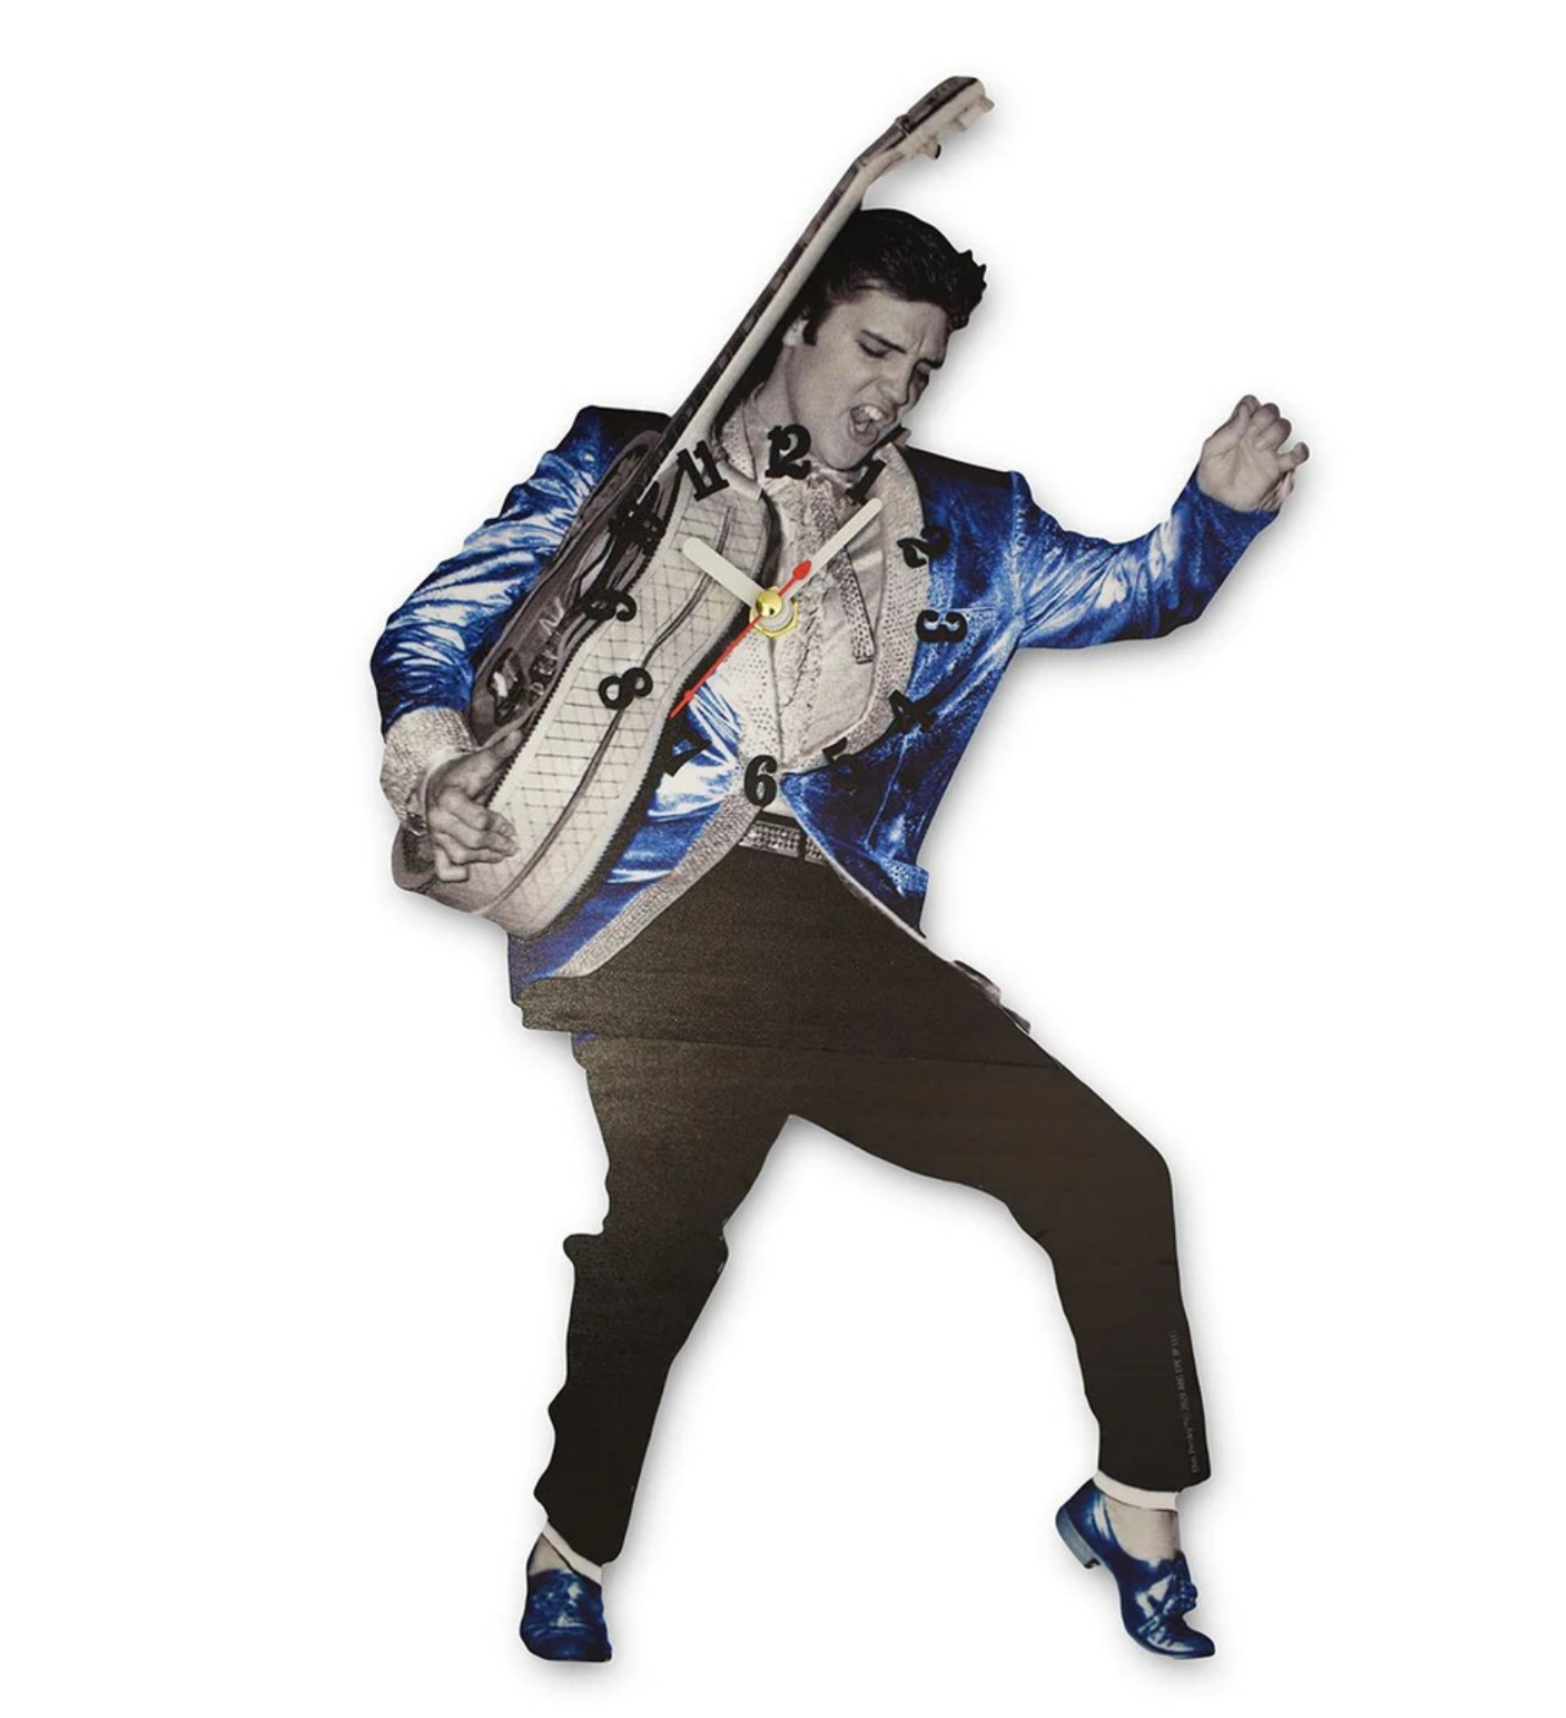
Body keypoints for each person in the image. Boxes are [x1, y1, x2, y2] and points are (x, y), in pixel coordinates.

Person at [372, 209, 1308, 1663]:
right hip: (643, 915)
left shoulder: (976, 527)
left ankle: (1133, 1504)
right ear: (794, 325)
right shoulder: (629, 465)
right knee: (667, 1234)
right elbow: (433, 631)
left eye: (922, 369)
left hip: (840, 932)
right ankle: (575, 1544)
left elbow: (1137, 590)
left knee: (1108, 1179)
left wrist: (1215, 513)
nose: (894, 390)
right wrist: (438, 769)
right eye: (873, 348)